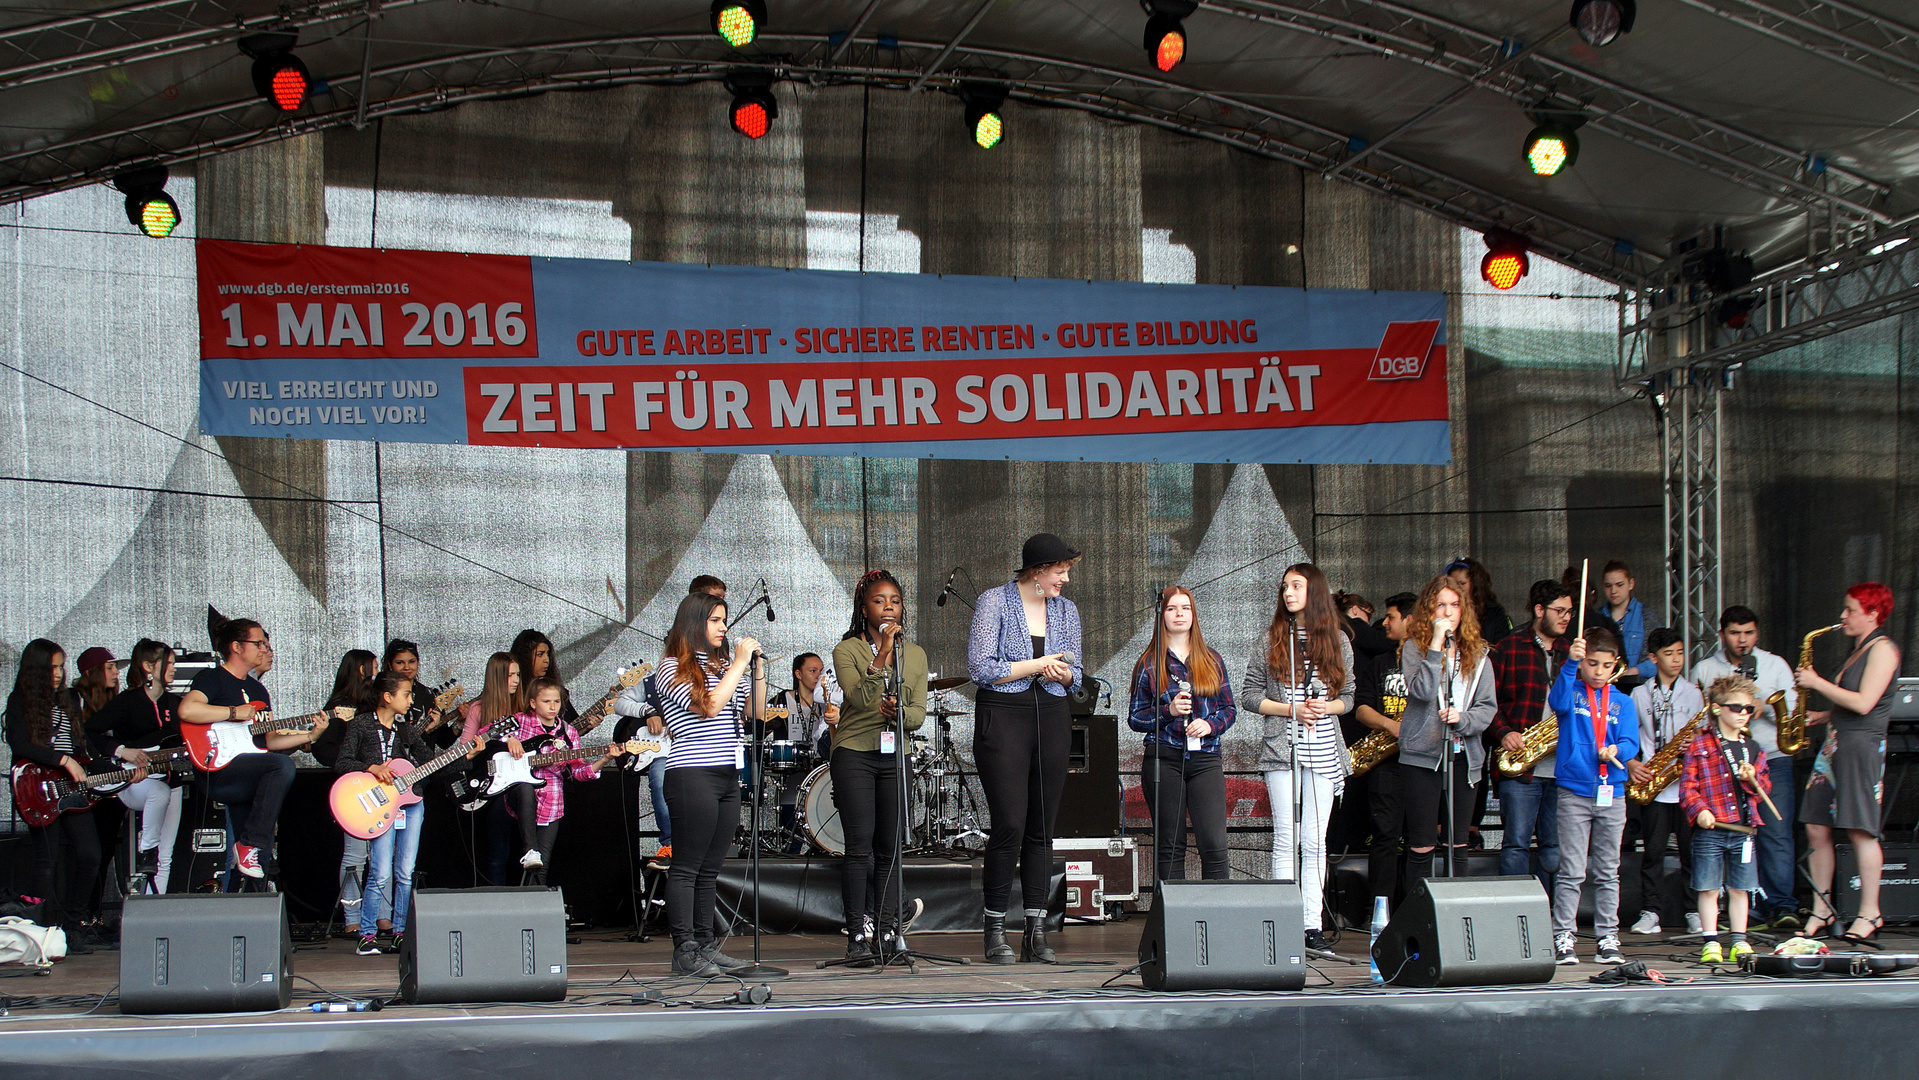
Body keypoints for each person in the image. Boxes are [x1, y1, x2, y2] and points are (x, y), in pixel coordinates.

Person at [967, 533, 1083, 965]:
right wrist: (1038, 665)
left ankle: (1037, 932)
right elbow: (980, 667)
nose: (1065, 580)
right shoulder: (994, 601)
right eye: (1060, 571)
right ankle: (994, 930)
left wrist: (1065, 675)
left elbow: (1078, 672)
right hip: (1003, 716)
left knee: (1042, 828)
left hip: (1051, 716)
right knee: (1010, 824)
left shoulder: (1066, 610)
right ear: (1037, 570)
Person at [1244, 564, 1353, 949]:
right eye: (1285, 586)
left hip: (1323, 747)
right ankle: (1282, 919)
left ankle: (1311, 923)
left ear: (1314, 591)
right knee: (1286, 837)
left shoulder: (1337, 639)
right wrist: (1290, 709)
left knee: (1314, 840)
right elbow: (1249, 696)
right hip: (1282, 747)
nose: (1288, 592)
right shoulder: (1271, 638)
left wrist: (1328, 707)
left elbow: (1350, 697)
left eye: (1296, 585)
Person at [656, 591, 763, 976]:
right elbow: (708, 706)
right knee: (687, 866)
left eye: (724, 620)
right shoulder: (671, 669)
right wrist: (737, 663)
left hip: (726, 776)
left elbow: (756, 711)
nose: (723, 628)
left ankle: (705, 944)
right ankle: (683, 949)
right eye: (716, 620)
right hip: (692, 773)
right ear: (695, 623)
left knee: (710, 868)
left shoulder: (722, 667)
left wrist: (755, 670)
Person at [830, 570, 929, 963]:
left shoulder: (917, 655)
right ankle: (856, 934)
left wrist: (898, 713)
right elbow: (856, 696)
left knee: (890, 849)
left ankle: (887, 933)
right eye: (878, 600)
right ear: (863, 608)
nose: (888, 607)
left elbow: (918, 714)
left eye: (895, 600)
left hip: (895, 753)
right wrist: (883, 652)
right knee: (859, 849)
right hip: (854, 751)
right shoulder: (847, 650)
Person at [1794, 582, 1900, 946]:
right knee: (1816, 826)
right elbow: (1848, 704)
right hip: (1836, 744)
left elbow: (1865, 702)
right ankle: (1822, 908)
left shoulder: (1883, 649)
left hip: (1861, 749)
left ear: (1872, 613)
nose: (1843, 616)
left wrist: (1816, 682)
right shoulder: (1859, 649)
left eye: (1850, 609)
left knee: (1860, 830)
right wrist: (1823, 716)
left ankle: (1870, 912)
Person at [176, 619, 322, 880]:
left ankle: (245, 889)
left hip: (247, 770)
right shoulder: (213, 679)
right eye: (259, 643)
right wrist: (233, 713)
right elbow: (187, 709)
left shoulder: (258, 690)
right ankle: (249, 844)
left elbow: (269, 741)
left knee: (256, 862)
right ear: (236, 646)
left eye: (265, 644)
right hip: (218, 770)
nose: (264, 649)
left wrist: (309, 735)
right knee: (282, 765)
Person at [1689, 605, 1800, 928]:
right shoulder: (1706, 668)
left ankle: (1781, 905)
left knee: (1775, 833)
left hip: (1768, 757)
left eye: (1749, 632)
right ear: (1722, 634)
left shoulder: (1774, 665)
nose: (1743, 640)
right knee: (1721, 839)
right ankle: (1733, 912)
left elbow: (1790, 712)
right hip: (1717, 764)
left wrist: (1752, 703)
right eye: (1735, 633)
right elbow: (1698, 718)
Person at [1396, 576, 1497, 892]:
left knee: (1458, 844)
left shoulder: (1479, 654)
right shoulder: (1414, 647)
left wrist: (1463, 719)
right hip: (1421, 757)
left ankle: (1459, 913)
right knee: (1422, 844)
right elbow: (1423, 690)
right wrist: (1436, 646)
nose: (1448, 611)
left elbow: (1487, 707)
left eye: (1454, 605)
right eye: (1440, 605)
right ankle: (1418, 915)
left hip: (1463, 756)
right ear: (1429, 610)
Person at [1130, 586, 1236, 886]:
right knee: (1170, 844)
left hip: (1205, 759)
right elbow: (1135, 718)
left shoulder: (1212, 659)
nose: (1179, 614)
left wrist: (1210, 725)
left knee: (1214, 844)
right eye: (1172, 608)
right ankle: (1170, 922)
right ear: (1162, 615)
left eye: (1185, 608)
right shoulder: (1149, 663)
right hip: (1164, 758)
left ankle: (1217, 918)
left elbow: (1229, 709)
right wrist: (1168, 711)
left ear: (1194, 614)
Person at [1547, 627, 1640, 966]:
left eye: (1606, 665)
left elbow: (1632, 742)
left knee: (1608, 870)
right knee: (1572, 870)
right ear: (1583, 661)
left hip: (1611, 793)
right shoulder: (1572, 691)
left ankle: (1607, 936)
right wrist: (1569, 665)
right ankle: (1564, 936)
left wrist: (1617, 748)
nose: (1598, 672)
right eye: (1592, 663)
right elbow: (1555, 702)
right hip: (1574, 791)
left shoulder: (1623, 702)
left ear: (1616, 665)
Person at [6, 639, 104, 952]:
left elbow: (82, 746)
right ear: (36, 670)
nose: (59, 673)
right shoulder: (20, 701)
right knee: (46, 860)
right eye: (51, 668)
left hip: (71, 788)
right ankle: (39, 932)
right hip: (38, 788)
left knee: (90, 855)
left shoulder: (68, 700)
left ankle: (74, 924)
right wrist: (63, 760)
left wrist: (112, 763)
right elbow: (21, 745)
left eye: (61, 666)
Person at [334, 671, 434, 957]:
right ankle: (367, 934)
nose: (411, 699)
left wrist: (467, 755)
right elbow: (342, 761)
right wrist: (371, 768)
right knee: (379, 870)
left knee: (405, 871)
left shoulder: (406, 729)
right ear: (387, 697)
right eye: (406, 694)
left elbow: (431, 761)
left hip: (410, 804)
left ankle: (400, 932)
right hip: (379, 805)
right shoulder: (361, 724)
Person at [1681, 674, 1773, 965]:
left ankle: (1739, 941)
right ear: (1718, 709)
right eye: (1737, 708)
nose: (1744, 714)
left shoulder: (1753, 748)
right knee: (1708, 888)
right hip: (1712, 829)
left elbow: (1763, 791)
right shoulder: (1700, 745)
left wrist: (1753, 779)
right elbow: (1687, 788)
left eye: (1748, 709)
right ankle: (1710, 941)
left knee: (1740, 888)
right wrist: (1700, 811)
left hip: (1743, 829)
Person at [1488, 580, 1574, 889]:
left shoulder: (1572, 653)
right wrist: (1504, 732)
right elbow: (1487, 703)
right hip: (1522, 763)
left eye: (1569, 611)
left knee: (1554, 848)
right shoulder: (1508, 647)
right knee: (1516, 844)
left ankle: (1552, 918)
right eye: (1559, 610)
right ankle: (1513, 913)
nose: (1566, 617)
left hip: (1563, 767)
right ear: (1539, 610)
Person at [83, 639, 186, 895]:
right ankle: (146, 850)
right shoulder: (127, 702)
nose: (174, 669)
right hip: (133, 780)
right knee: (157, 794)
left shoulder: (177, 704)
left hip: (170, 780)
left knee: (168, 853)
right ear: (149, 667)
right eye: (169, 663)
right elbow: (91, 729)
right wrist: (121, 751)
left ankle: (154, 908)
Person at [504, 676, 621, 886]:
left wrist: (605, 759)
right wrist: (509, 739)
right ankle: (529, 852)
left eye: (556, 702)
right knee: (524, 791)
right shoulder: (519, 721)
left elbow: (578, 771)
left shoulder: (569, 733)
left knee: (542, 863)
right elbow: (486, 732)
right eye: (546, 702)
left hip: (552, 800)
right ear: (533, 703)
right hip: (518, 794)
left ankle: (537, 911)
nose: (552, 707)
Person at [1626, 628, 1705, 936]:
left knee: (1691, 853)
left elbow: (1704, 734)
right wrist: (1633, 763)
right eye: (1669, 654)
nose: (1676, 660)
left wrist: (1693, 746)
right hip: (1653, 782)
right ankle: (1651, 911)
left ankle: (1693, 910)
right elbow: (1631, 737)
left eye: (1680, 653)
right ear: (1653, 657)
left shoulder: (1694, 693)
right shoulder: (1640, 693)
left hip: (1686, 783)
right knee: (1653, 853)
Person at [1353, 592, 1416, 908]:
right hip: (1385, 765)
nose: (1385, 623)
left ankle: (1417, 910)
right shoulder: (1378, 663)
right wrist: (1392, 727)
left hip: (1423, 764)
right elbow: (1361, 709)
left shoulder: (1434, 663)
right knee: (1384, 840)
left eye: (1391, 617)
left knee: (1421, 842)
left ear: (1411, 621)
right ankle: (1382, 914)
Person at [312, 649, 378, 933]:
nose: (376, 674)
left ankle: (375, 917)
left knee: (378, 855)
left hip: (377, 786)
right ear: (362, 671)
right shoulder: (340, 706)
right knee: (354, 855)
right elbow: (322, 748)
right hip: (353, 789)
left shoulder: (369, 704)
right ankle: (352, 919)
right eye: (373, 668)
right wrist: (353, 765)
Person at [461, 651, 525, 885]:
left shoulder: (523, 707)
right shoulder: (479, 709)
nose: (517, 680)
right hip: (495, 786)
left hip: (525, 784)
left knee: (526, 850)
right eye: (511, 675)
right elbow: (464, 751)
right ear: (497, 678)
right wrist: (489, 742)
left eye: (518, 674)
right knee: (498, 850)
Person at [770, 652, 839, 850]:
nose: (819, 676)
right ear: (798, 674)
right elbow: (758, 728)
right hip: (792, 772)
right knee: (792, 840)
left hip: (821, 771)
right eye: (812, 671)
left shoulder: (829, 702)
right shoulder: (783, 699)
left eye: (821, 671)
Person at [1599, 561, 1658, 684]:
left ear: (1631, 584)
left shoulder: (1648, 615)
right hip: (1603, 687)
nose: (1613, 591)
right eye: (1608, 586)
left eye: (1619, 585)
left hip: (1639, 687)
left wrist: (1634, 670)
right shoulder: (1597, 616)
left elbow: (1662, 656)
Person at [511, 629, 576, 724]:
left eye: (548, 654)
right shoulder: (511, 690)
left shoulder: (557, 691)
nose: (546, 660)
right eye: (540, 654)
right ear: (525, 657)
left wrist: (587, 725)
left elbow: (572, 725)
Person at [1446, 557, 1512, 642]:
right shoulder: (1444, 610)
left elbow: (1502, 646)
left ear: (1475, 585)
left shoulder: (1494, 612)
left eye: (1462, 583)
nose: (1456, 588)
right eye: (1452, 583)